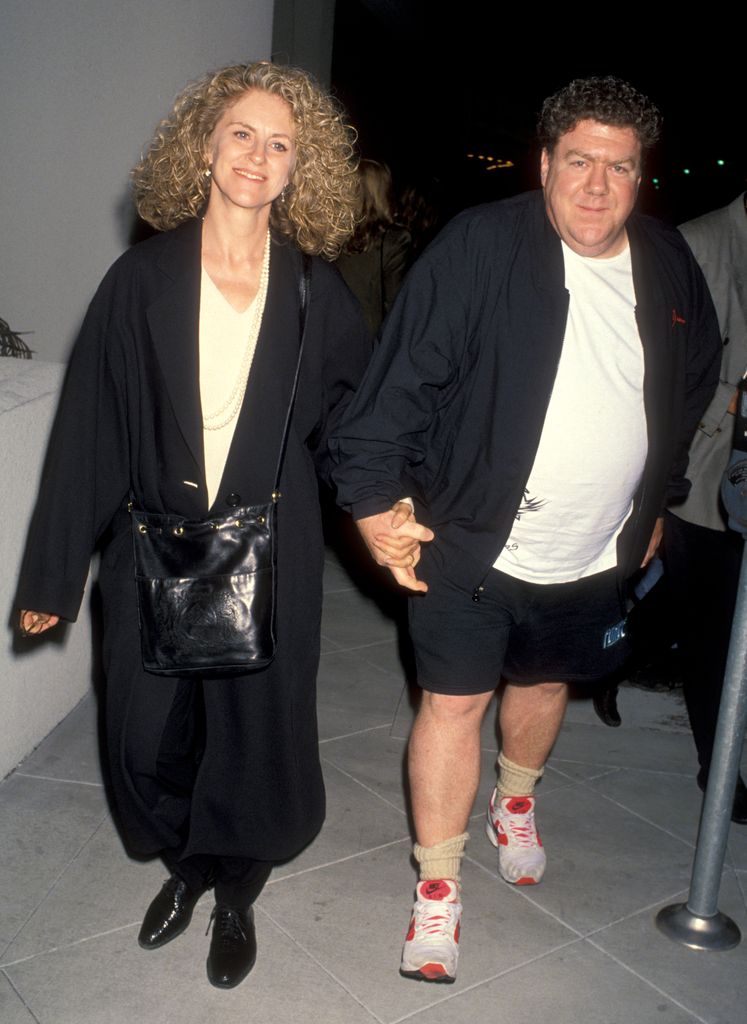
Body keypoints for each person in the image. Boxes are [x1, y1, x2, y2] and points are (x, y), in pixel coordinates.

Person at [331, 76, 721, 983]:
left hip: (594, 548)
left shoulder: (666, 264)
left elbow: (689, 382)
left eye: (617, 168)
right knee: (454, 703)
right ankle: (436, 892)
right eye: (577, 161)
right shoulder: (480, 247)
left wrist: (655, 499)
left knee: (544, 682)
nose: (595, 186)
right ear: (542, 163)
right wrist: (370, 500)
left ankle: (515, 802)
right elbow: (397, 386)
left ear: (639, 176)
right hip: (466, 537)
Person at [16, 61, 370, 989]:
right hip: (152, 549)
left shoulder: (312, 290)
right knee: (144, 737)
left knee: (252, 735)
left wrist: (390, 511)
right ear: (205, 146)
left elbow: (355, 425)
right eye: (242, 134)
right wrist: (52, 578)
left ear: (302, 168)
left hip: (275, 548)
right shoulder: (141, 279)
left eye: (280, 143)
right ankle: (181, 861)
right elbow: (89, 428)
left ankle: (233, 889)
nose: (258, 156)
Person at [663, 192, 747, 821]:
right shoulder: (699, 241)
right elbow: (668, 370)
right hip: (708, 464)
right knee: (711, 625)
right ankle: (718, 768)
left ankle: (623, 648)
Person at [336, 158, 412, 337]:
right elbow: (395, 304)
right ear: (383, 191)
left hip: (331, 334)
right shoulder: (395, 240)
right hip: (369, 342)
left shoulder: (329, 235)